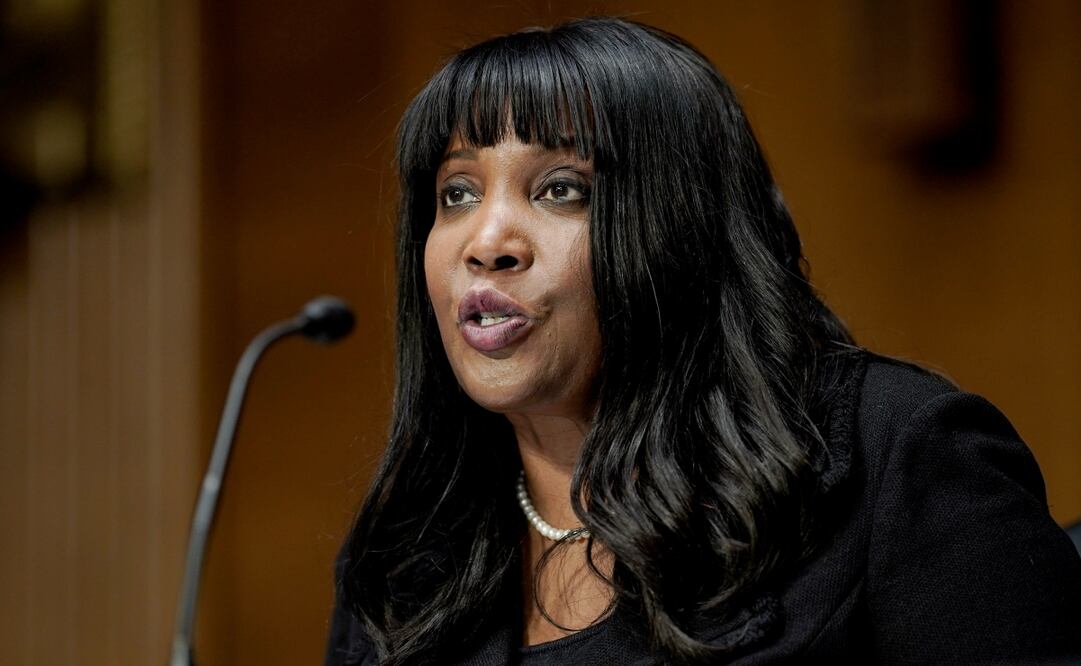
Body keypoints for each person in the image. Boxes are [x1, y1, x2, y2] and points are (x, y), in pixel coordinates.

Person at [325, 17, 1081, 665]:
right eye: (456, 193)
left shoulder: (892, 459)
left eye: (561, 188)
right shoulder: (406, 557)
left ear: (681, 227)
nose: (485, 242)